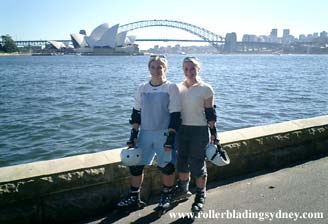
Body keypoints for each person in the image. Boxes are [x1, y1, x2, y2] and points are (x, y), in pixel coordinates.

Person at [117, 55, 182, 211]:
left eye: (160, 67)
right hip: (145, 133)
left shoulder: (171, 88)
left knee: (167, 166)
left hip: (164, 134)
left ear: (165, 68)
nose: (156, 70)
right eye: (153, 67)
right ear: (149, 68)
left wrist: (171, 137)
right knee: (136, 166)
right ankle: (134, 197)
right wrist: (133, 135)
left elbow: (175, 115)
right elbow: (136, 113)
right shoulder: (142, 88)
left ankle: (166, 196)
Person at [174, 56, 218, 214]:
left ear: (198, 69)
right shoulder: (178, 87)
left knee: (198, 165)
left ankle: (200, 195)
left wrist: (214, 133)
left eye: (192, 68)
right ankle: (183, 190)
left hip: (199, 131)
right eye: (186, 69)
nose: (189, 72)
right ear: (182, 70)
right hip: (182, 130)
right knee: (182, 162)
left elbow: (210, 113)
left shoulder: (206, 88)